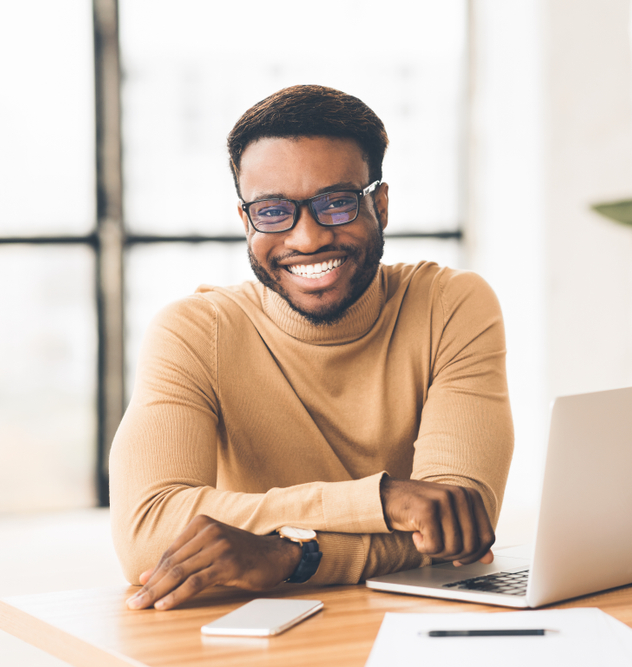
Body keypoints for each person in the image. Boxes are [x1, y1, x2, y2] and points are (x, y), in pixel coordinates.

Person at [110, 84, 514, 611]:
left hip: (414, 621)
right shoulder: (194, 331)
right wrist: (384, 500)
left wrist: (289, 556)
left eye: (337, 203)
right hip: (251, 634)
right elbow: (146, 536)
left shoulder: (451, 305)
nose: (306, 239)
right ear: (245, 222)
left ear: (381, 205)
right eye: (274, 212)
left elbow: (456, 528)